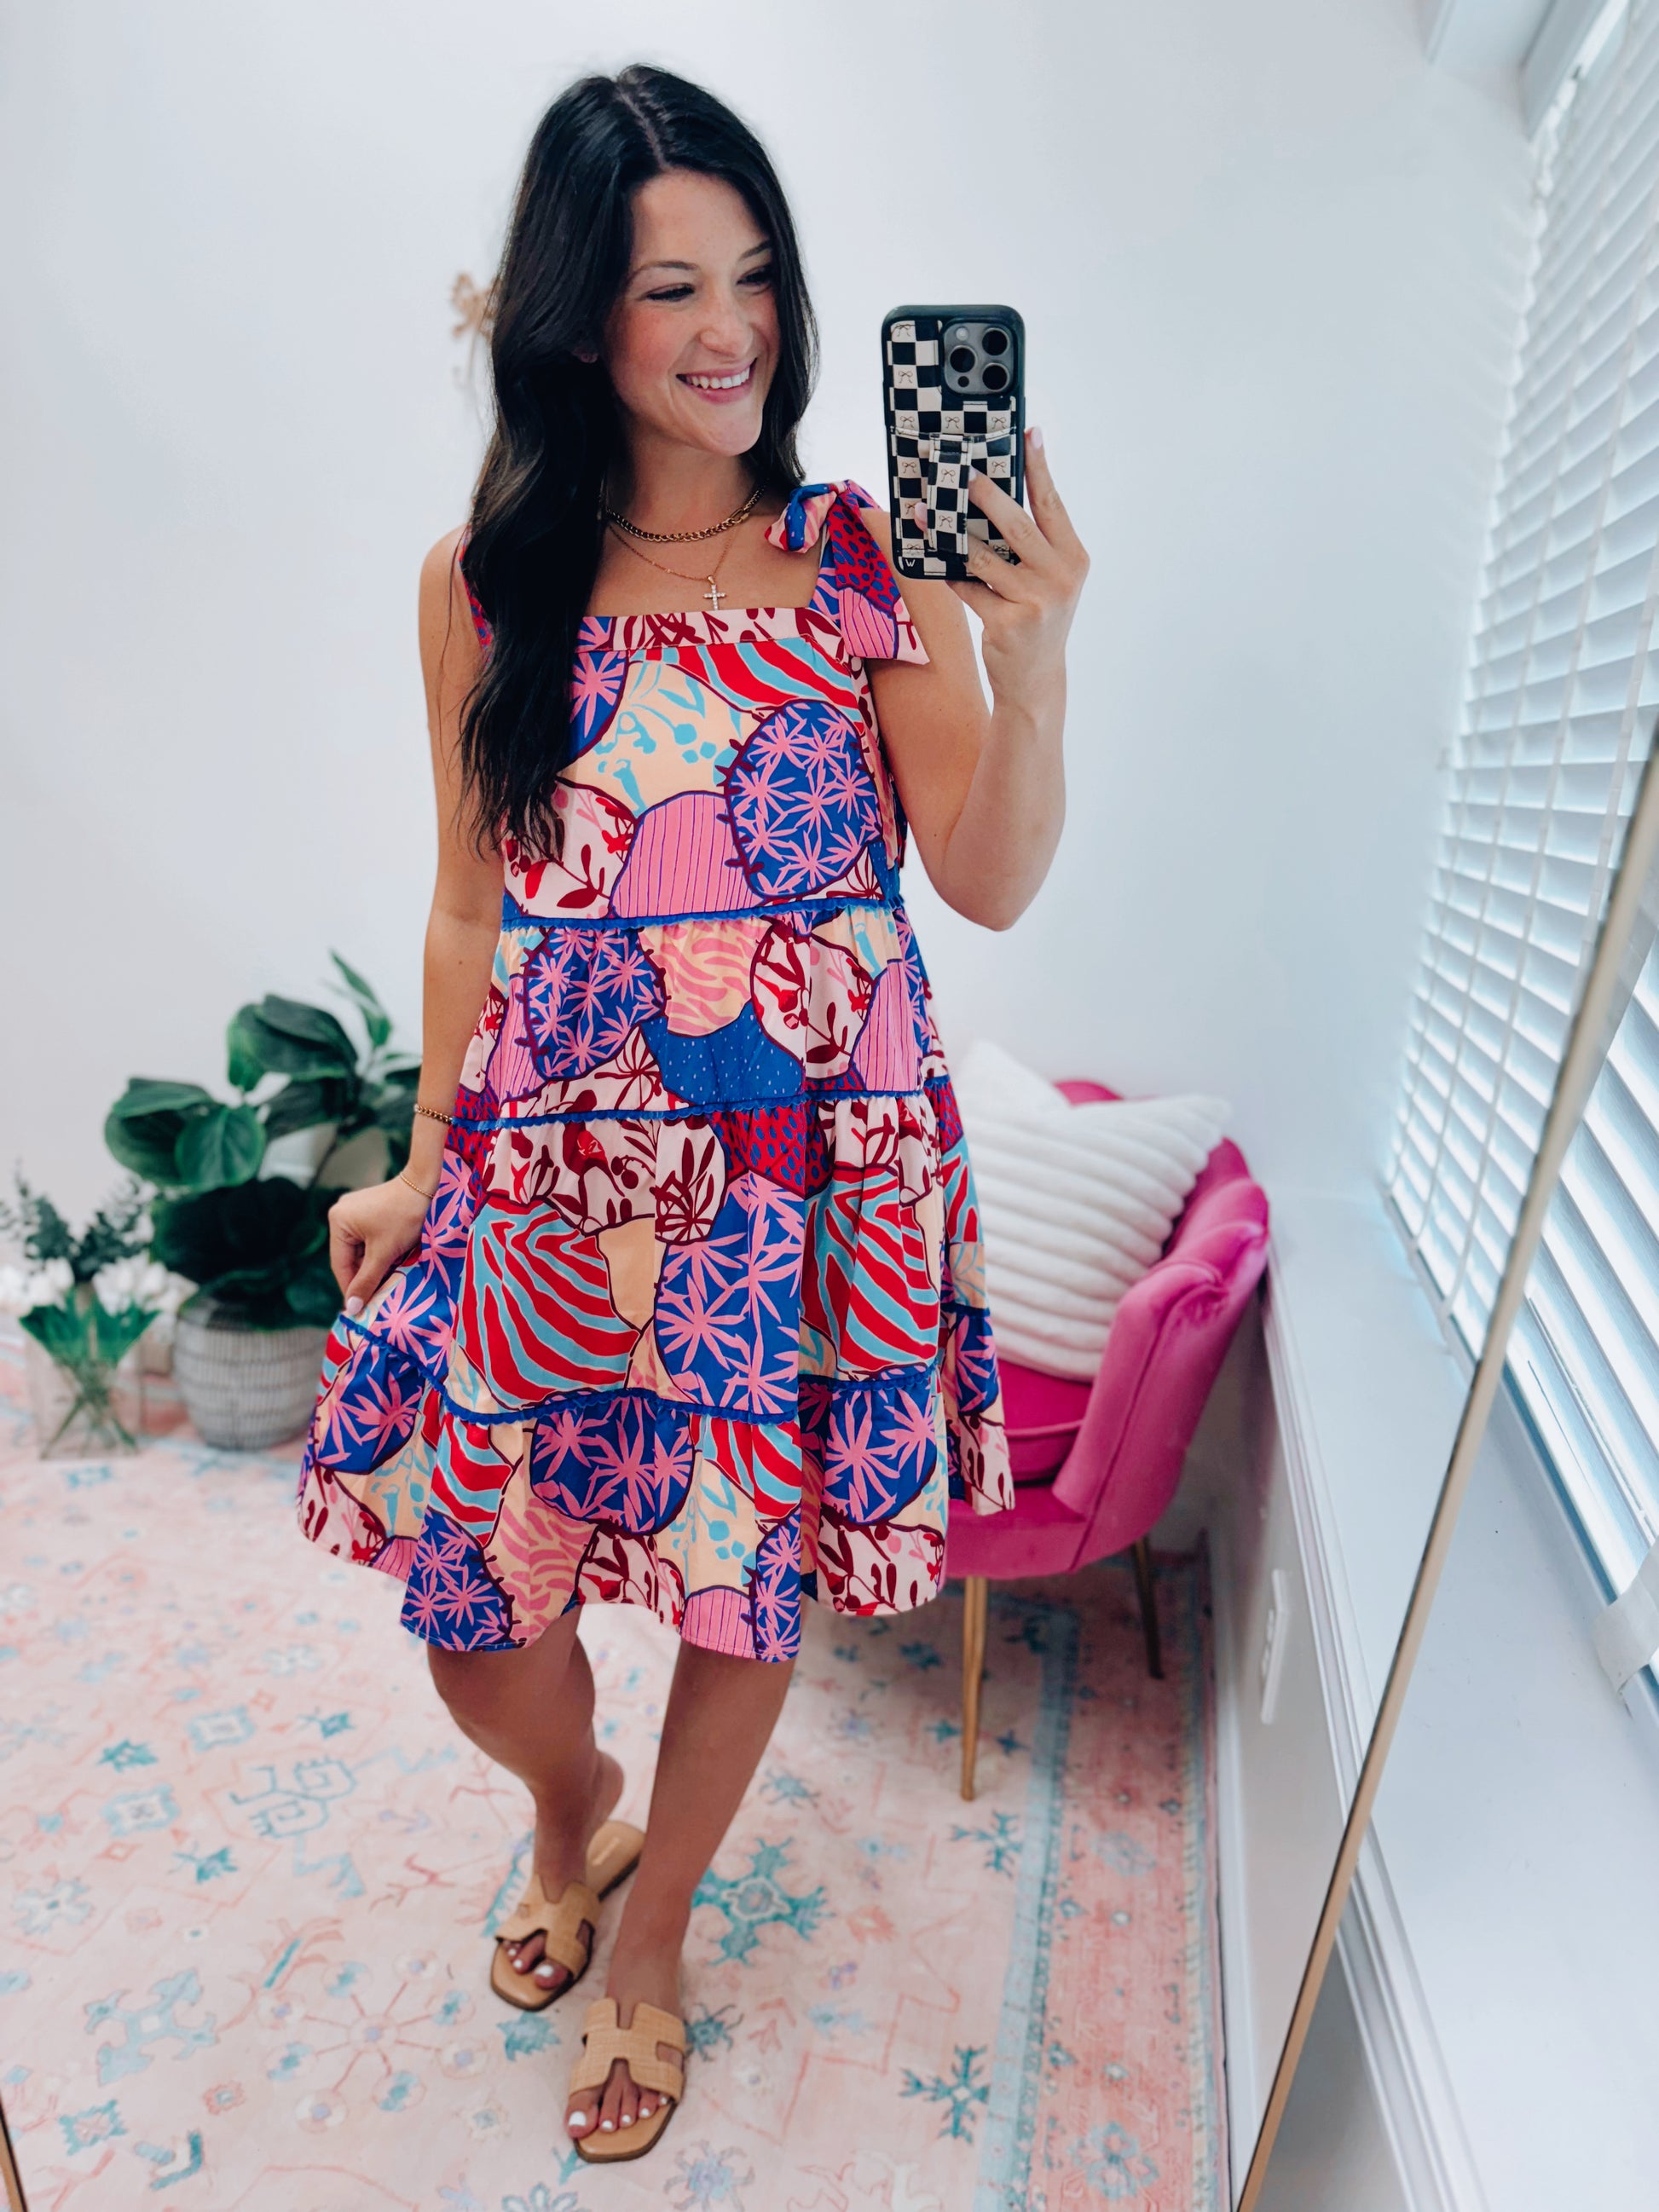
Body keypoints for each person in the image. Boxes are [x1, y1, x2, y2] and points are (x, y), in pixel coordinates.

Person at [297, 61, 1085, 2167]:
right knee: (481, 1616)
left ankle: (649, 1940)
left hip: (801, 1171)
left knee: (745, 1583)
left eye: (754, 276)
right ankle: (571, 1804)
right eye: (672, 286)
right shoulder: (482, 582)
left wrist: (1034, 656)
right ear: (580, 319)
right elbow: (469, 901)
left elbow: (987, 874)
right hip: (556, 1176)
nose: (731, 327)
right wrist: (420, 1155)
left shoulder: (854, 561)